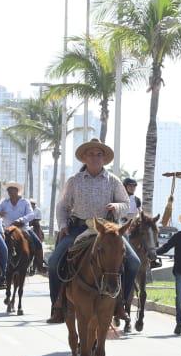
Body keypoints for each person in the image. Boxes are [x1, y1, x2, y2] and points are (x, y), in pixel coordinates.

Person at [47, 138, 141, 324]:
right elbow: (62, 206)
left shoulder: (113, 181)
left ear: (104, 159)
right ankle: (58, 305)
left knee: (134, 263)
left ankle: (121, 305)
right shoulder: (74, 181)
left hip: (108, 231)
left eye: (99, 154)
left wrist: (116, 206)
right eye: (91, 154)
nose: (95, 157)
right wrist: (63, 225)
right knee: (53, 262)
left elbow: (126, 204)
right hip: (79, 228)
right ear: (84, 157)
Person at [0, 181, 46, 273]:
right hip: (8, 230)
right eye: (9, 190)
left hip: (24, 229)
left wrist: (21, 220)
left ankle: (40, 265)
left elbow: (31, 215)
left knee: (38, 243)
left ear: (17, 191)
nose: (10, 192)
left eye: (12, 190)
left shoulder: (25, 202)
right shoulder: (4, 203)